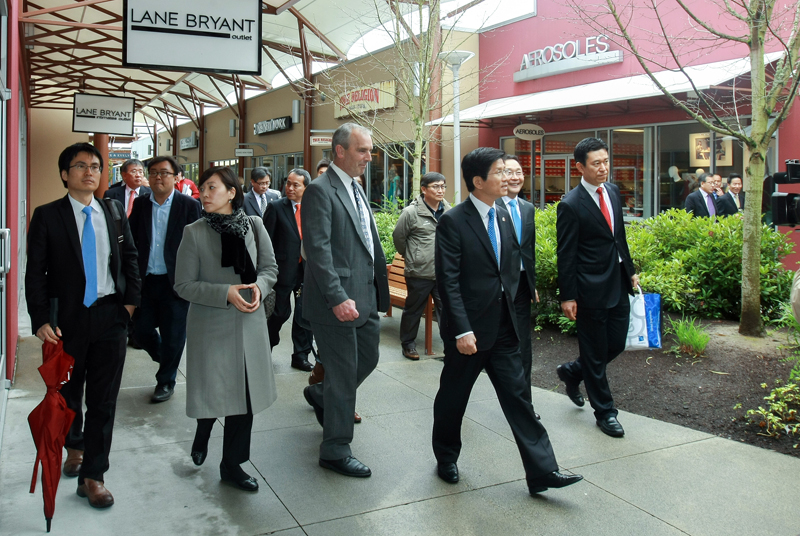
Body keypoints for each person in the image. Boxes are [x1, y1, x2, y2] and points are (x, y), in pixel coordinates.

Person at [432, 147, 582, 495]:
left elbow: (512, 263)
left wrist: (522, 296)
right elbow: (448, 282)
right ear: (478, 181)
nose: (507, 177)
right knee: (453, 398)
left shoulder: (503, 212)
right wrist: (462, 329)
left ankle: (543, 470)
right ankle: (446, 457)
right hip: (469, 332)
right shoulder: (454, 221)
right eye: (499, 172)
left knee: (519, 398)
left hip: (504, 328)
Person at [26, 142, 141, 508]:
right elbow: (36, 274)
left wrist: (129, 307)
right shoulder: (47, 215)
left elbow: (131, 259)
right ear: (65, 174)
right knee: (69, 395)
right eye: (80, 166)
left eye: (95, 165)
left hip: (110, 317)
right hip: (68, 322)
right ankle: (74, 448)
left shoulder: (114, 211)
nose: (89, 171)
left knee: (104, 400)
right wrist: (41, 318)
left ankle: (94, 474)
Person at [174, 166, 279, 492]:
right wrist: (226, 293)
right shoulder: (194, 232)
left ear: (232, 193)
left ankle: (231, 464)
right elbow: (183, 285)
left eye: (212, 187)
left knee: (243, 398)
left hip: (249, 325)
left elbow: (270, 268)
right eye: (203, 188)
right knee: (215, 391)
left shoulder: (254, 226)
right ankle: (203, 430)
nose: (204, 194)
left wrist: (260, 287)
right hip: (211, 327)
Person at [301, 123, 390, 478]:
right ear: (340, 151)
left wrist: (378, 290)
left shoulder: (355, 187)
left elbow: (367, 243)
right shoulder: (320, 191)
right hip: (333, 302)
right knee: (342, 372)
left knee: (367, 358)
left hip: (364, 298)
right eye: (363, 150)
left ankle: (323, 396)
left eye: (369, 150)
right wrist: (337, 296)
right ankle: (335, 449)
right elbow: (318, 251)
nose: (370, 157)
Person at [555, 137, 639, 438]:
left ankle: (572, 371)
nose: (604, 168)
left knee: (615, 344)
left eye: (606, 161)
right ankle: (605, 412)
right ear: (580, 166)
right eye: (597, 163)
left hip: (617, 281)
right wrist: (568, 296)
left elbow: (620, 237)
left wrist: (630, 271)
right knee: (593, 351)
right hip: (589, 288)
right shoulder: (570, 204)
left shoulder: (613, 191)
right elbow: (566, 254)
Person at [128, 156, 201, 403]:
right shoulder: (140, 205)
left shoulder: (189, 206)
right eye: (154, 173)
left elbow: (198, 245)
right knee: (140, 330)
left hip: (176, 282)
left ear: (176, 177)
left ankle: (166, 381)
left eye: (165, 173)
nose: (159, 177)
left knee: (174, 334)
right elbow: (131, 242)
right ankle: (166, 357)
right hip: (146, 281)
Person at [495, 155, 539, 405]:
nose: (515, 177)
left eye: (519, 172)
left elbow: (528, 250)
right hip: (496, 289)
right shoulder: (491, 207)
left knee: (523, 344)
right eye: (508, 172)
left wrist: (532, 285)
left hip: (521, 286)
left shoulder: (527, 208)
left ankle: (525, 403)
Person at [392, 172, 449, 360]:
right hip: (419, 272)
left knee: (448, 310)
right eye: (436, 186)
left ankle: (451, 346)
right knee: (413, 310)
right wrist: (412, 256)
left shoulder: (449, 211)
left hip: (443, 272)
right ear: (424, 189)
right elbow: (399, 238)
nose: (440, 190)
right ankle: (408, 344)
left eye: (443, 186)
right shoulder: (411, 212)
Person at [264, 168, 315, 372]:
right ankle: (265, 347)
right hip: (282, 271)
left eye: (296, 185)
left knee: (305, 315)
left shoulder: (315, 207)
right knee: (279, 314)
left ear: (306, 188)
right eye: (288, 183)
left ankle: (300, 356)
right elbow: (265, 241)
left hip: (308, 272)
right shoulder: (276, 207)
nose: (290, 188)